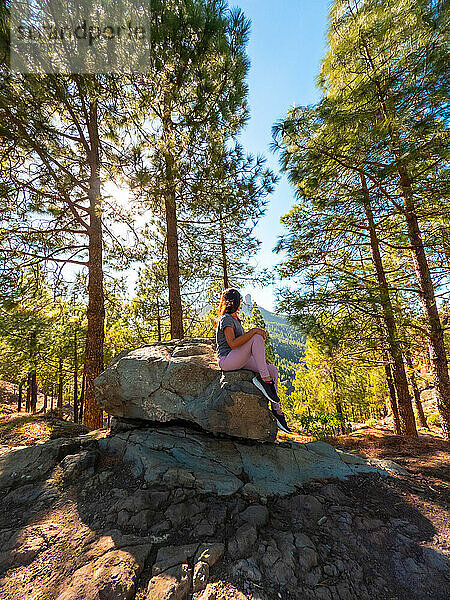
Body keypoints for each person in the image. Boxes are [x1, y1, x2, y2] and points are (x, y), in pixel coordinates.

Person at [215, 288, 292, 434]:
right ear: (235, 302)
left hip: (238, 359)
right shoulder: (226, 319)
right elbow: (232, 343)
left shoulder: (235, 318)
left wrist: (262, 359)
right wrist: (253, 331)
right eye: (240, 301)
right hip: (227, 360)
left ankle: (277, 410)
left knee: (273, 370)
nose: (241, 304)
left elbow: (245, 346)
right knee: (256, 337)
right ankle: (265, 380)